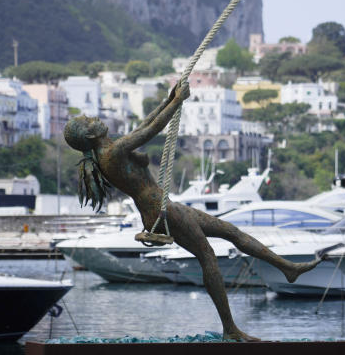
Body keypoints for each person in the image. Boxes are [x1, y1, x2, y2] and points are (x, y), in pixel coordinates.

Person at [64, 81, 321, 341]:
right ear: (89, 136)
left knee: (231, 231)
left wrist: (170, 99)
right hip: (161, 212)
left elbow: (142, 126)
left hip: (165, 207)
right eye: (87, 120)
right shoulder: (112, 152)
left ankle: (287, 267)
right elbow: (152, 130)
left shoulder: (111, 149)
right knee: (207, 256)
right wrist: (177, 102)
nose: (93, 117)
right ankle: (230, 328)